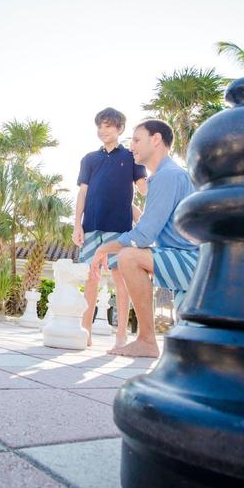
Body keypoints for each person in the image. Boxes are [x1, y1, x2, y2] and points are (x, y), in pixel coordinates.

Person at [89, 119, 199, 358]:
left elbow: (144, 235)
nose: (132, 147)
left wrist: (103, 249)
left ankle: (147, 341)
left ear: (156, 139)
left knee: (128, 257)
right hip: (188, 264)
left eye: (137, 140)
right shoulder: (169, 175)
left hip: (196, 264)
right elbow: (152, 226)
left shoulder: (168, 176)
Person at [74, 108, 147, 348]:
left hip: (120, 228)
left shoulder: (132, 157)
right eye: (100, 126)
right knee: (91, 278)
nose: (103, 131)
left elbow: (142, 189)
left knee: (120, 279)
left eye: (108, 126)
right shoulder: (89, 159)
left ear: (119, 129)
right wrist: (77, 225)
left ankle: (121, 335)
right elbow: (83, 192)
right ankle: (86, 332)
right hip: (92, 226)